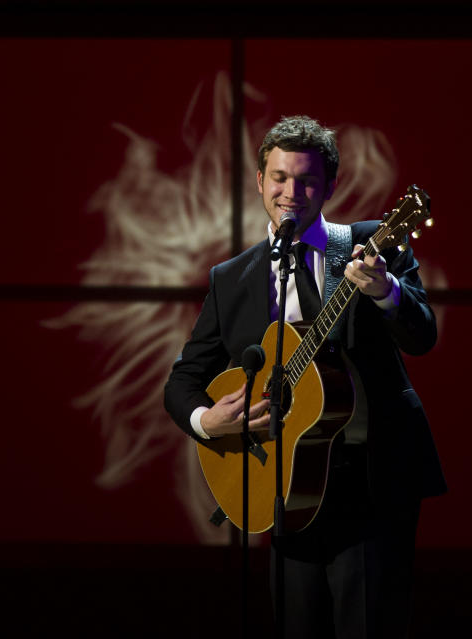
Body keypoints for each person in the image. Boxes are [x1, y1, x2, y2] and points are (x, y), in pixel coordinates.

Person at [164, 115, 446, 638]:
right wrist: (208, 421)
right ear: (259, 181)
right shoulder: (232, 279)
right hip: (283, 484)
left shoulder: (368, 245)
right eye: (279, 177)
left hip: (371, 482)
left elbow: (422, 336)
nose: (291, 191)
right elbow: (182, 382)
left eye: (307, 180)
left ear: (330, 185)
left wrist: (385, 293)